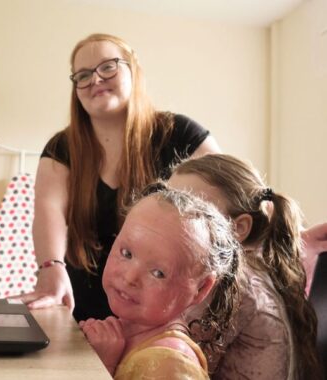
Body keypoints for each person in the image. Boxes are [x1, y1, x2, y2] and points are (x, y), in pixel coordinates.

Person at [17, 33, 220, 321]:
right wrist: (50, 267)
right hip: (80, 316)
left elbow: (231, 195)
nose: (96, 80)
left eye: (108, 67)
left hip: (161, 322)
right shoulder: (61, 148)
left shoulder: (181, 133)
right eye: (83, 75)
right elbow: (48, 210)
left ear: (133, 71)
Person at [167, 153, 321, 379]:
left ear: (239, 228)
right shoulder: (258, 266)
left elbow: (172, 364)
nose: (165, 219)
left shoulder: (233, 284)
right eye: (167, 202)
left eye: (189, 211)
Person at [79, 184, 242, 379]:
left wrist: (103, 366)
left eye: (158, 273)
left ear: (201, 289)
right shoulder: (128, 330)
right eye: (126, 253)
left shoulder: (170, 364)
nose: (130, 277)